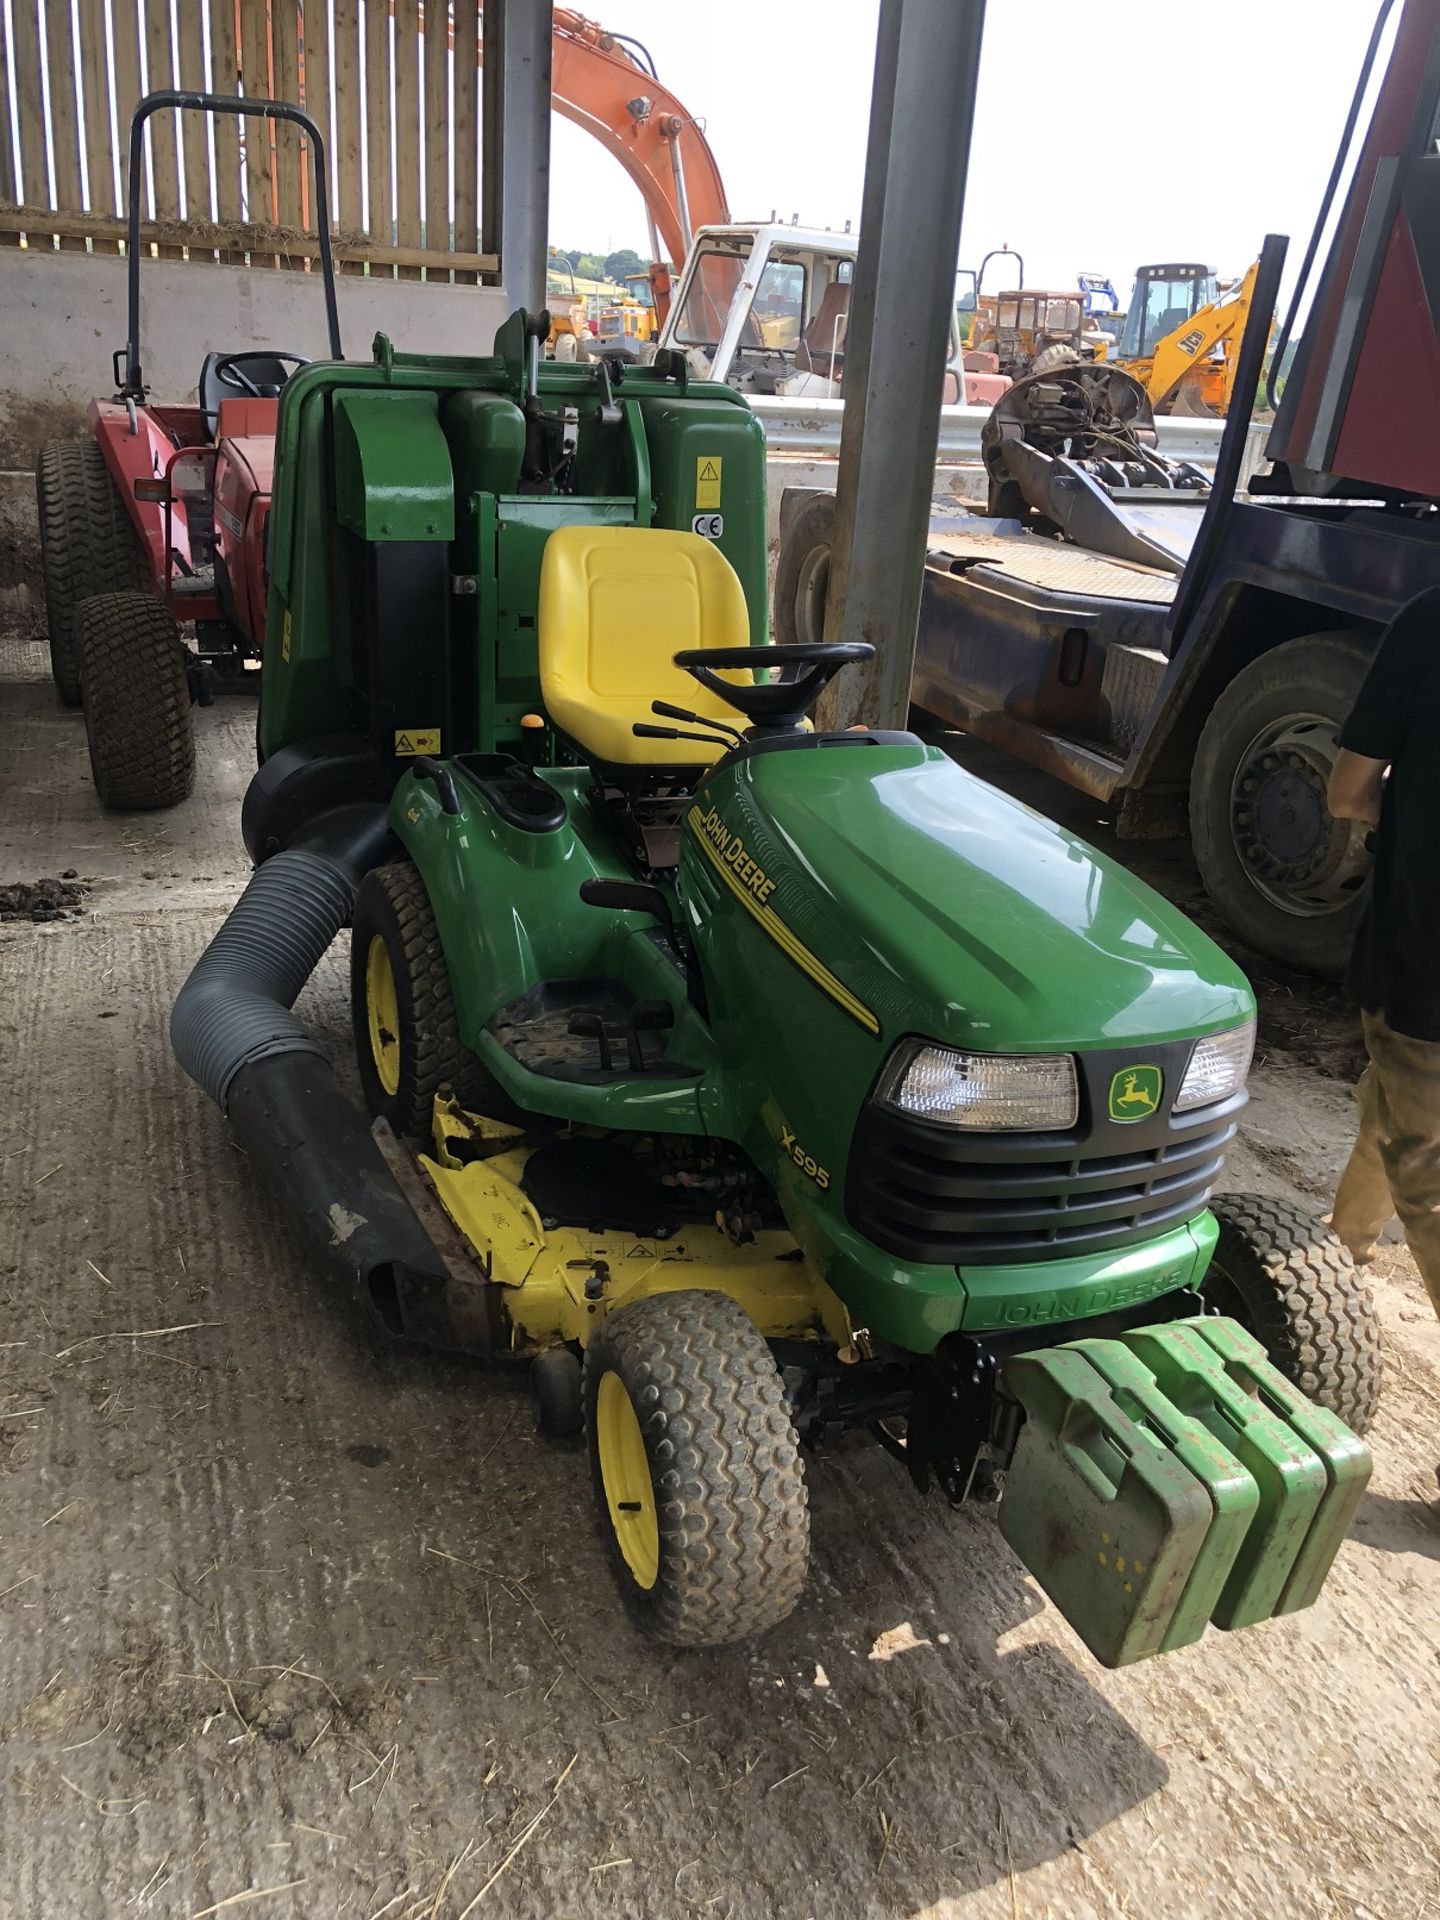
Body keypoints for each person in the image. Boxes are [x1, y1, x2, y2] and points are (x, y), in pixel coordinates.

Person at [1327, 586, 1440, 1322]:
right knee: (1393, 1105)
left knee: (1426, 1173)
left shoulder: (1430, 621)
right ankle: (1341, 1251)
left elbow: (1347, 792)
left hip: (1426, 960)